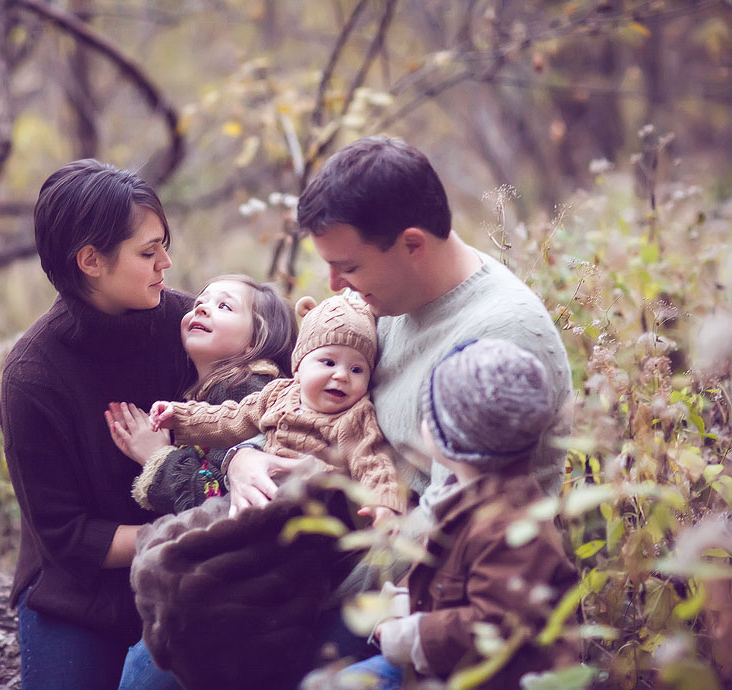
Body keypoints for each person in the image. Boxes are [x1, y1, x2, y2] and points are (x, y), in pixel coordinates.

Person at [225, 134, 572, 516]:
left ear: (412, 246)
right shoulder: (386, 295)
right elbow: (302, 396)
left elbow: (448, 534)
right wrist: (246, 456)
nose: (335, 286)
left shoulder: (499, 341)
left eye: (349, 267)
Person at [0, 159, 195, 690]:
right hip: (80, 592)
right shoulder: (33, 378)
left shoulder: (192, 330)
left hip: (190, 574)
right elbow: (64, 535)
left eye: (164, 246)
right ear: (90, 260)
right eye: (148, 253)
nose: (166, 263)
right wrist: (182, 530)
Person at [340, 339, 579, 689]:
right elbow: (444, 576)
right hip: (442, 663)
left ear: (450, 438)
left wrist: (403, 634)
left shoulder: (511, 530)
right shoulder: (463, 495)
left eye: (430, 414)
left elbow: (494, 623)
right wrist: (401, 603)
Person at [150, 292, 405, 521]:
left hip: (310, 515)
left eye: (356, 369)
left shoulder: (354, 417)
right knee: (173, 537)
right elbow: (230, 418)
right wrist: (180, 416)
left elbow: (371, 460)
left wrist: (384, 502)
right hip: (259, 499)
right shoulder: (276, 394)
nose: (341, 375)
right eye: (328, 363)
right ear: (299, 367)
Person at [105, 274, 297, 514]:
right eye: (199, 303)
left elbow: (215, 500)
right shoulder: (216, 391)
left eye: (224, 306)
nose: (203, 309)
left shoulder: (245, 390)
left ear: (256, 339)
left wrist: (157, 456)